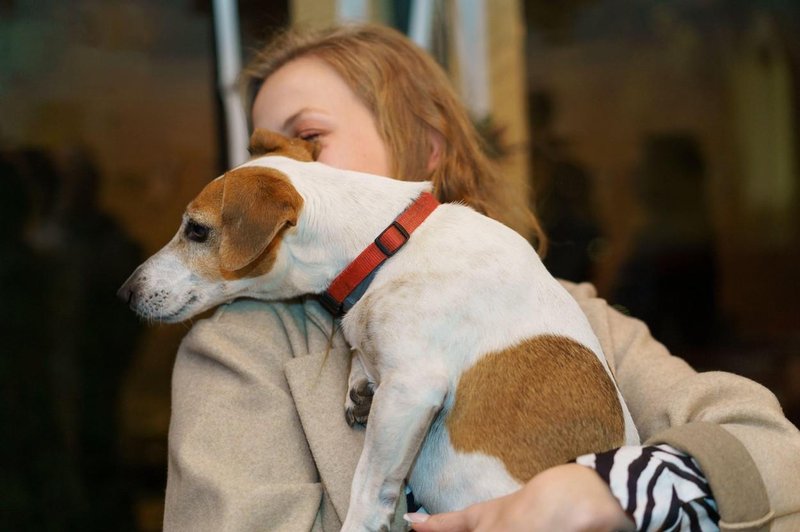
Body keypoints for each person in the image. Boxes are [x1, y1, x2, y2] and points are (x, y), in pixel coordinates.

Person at [163, 23, 800, 531]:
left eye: (308, 140)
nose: (285, 170)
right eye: (265, 155)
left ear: (428, 149)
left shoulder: (563, 311)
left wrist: (606, 492)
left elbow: (773, 453)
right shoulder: (241, 350)